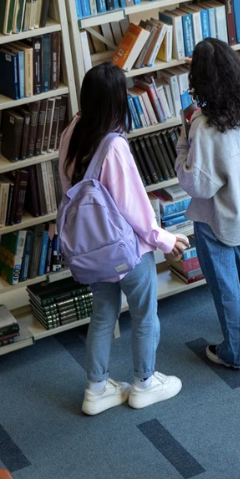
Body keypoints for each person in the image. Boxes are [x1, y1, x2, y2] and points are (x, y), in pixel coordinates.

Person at [59, 63, 188, 415]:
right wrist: (165, 239)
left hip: (91, 251)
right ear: (118, 102)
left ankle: (96, 389)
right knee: (145, 313)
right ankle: (144, 384)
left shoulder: (72, 131)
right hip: (125, 251)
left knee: (103, 314)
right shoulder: (113, 146)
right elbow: (134, 207)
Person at [175, 37, 240, 370]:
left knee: (225, 286)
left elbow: (198, 184)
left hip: (215, 217)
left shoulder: (203, 128)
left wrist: (183, 141)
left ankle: (237, 353)